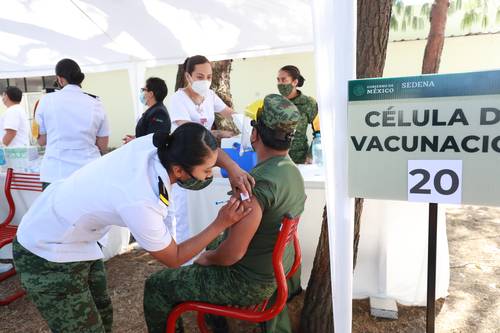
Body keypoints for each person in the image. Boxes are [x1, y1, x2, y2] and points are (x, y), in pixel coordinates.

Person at [13, 123, 253, 333]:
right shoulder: (142, 199)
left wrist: (232, 168)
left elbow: (201, 145)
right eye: (206, 172)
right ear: (179, 171)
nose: (209, 176)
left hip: (75, 234)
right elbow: (174, 257)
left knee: (103, 313)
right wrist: (220, 223)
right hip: (46, 248)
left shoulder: (161, 144)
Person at [143, 94, 306, 333]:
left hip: (247, 283)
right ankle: (215, 320)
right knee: (213, 245)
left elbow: (231, 254)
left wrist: (206, 259)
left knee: (156, 286)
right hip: (275, 271)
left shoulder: (256, 186)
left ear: (254, 134)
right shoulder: (292, 172)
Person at [168, 55, 236, 243]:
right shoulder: (178, 99)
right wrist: (218, 133)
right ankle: (184, 262)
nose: (205, 81)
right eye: (199, 76)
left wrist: (243, 120)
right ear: (188, 76)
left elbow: (227, 112)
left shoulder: (210, 96)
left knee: (202, 212)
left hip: (204, 162)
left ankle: (200, 255)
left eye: (209, 76)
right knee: (185, 214)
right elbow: (186, 128)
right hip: (184, 162)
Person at [35, 58, 109, 186]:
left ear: (60, 79)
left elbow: (41, 141)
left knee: (53, 207)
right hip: (88, 172)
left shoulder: (46, 101)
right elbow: (103, 145)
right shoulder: (96, 102)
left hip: (55, 173)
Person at [277, 65, 318, 164]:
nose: (280, 83)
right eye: (278, 80)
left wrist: (311, 155)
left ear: (295, 82)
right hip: (277, 160)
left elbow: (320, 132)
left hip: (301, 160)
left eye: (284, 80)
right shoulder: (275, 103)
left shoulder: (308, 103)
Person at [123, 77, 171, 143]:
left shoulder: (159, 113)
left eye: (143, 90)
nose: (141, 92)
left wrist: (133, 141)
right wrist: (136, 137)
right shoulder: (154, 110)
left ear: (151, 94)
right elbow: (146, 134)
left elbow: (153, 140)